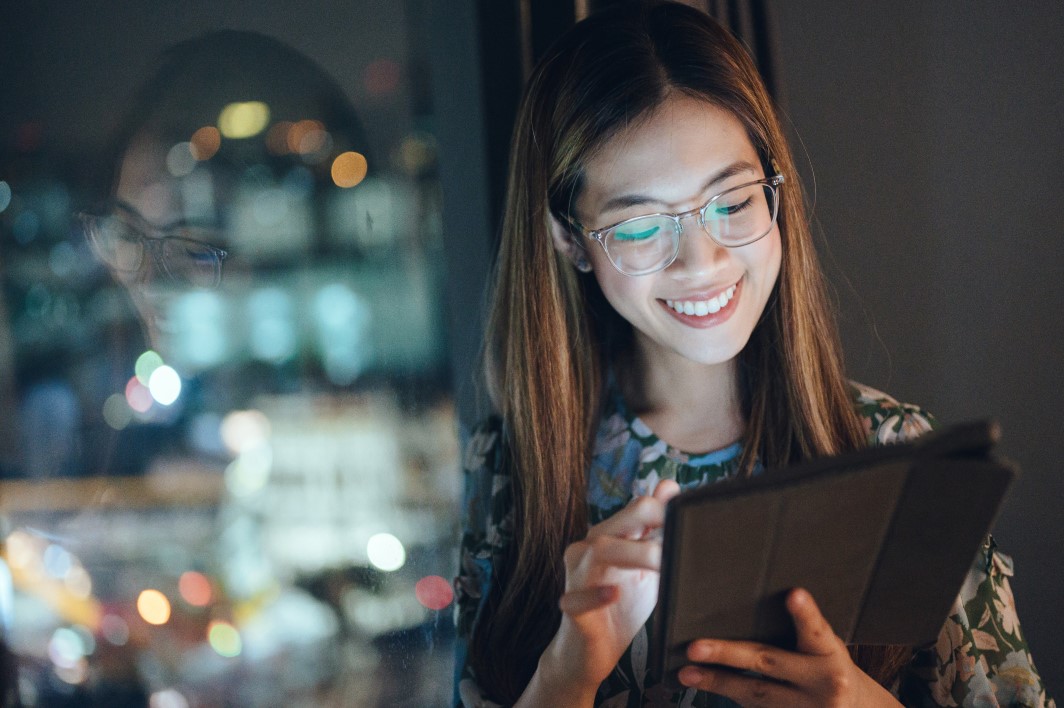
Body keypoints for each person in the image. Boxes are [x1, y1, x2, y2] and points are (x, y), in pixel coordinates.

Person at [453, 2, 1055, 706]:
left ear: (776, 190)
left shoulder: (895, 454)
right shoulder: (513, 470)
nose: (701, 263)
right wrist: (568, 670)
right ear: (568, 239)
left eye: (732, 202)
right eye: (642, 225)